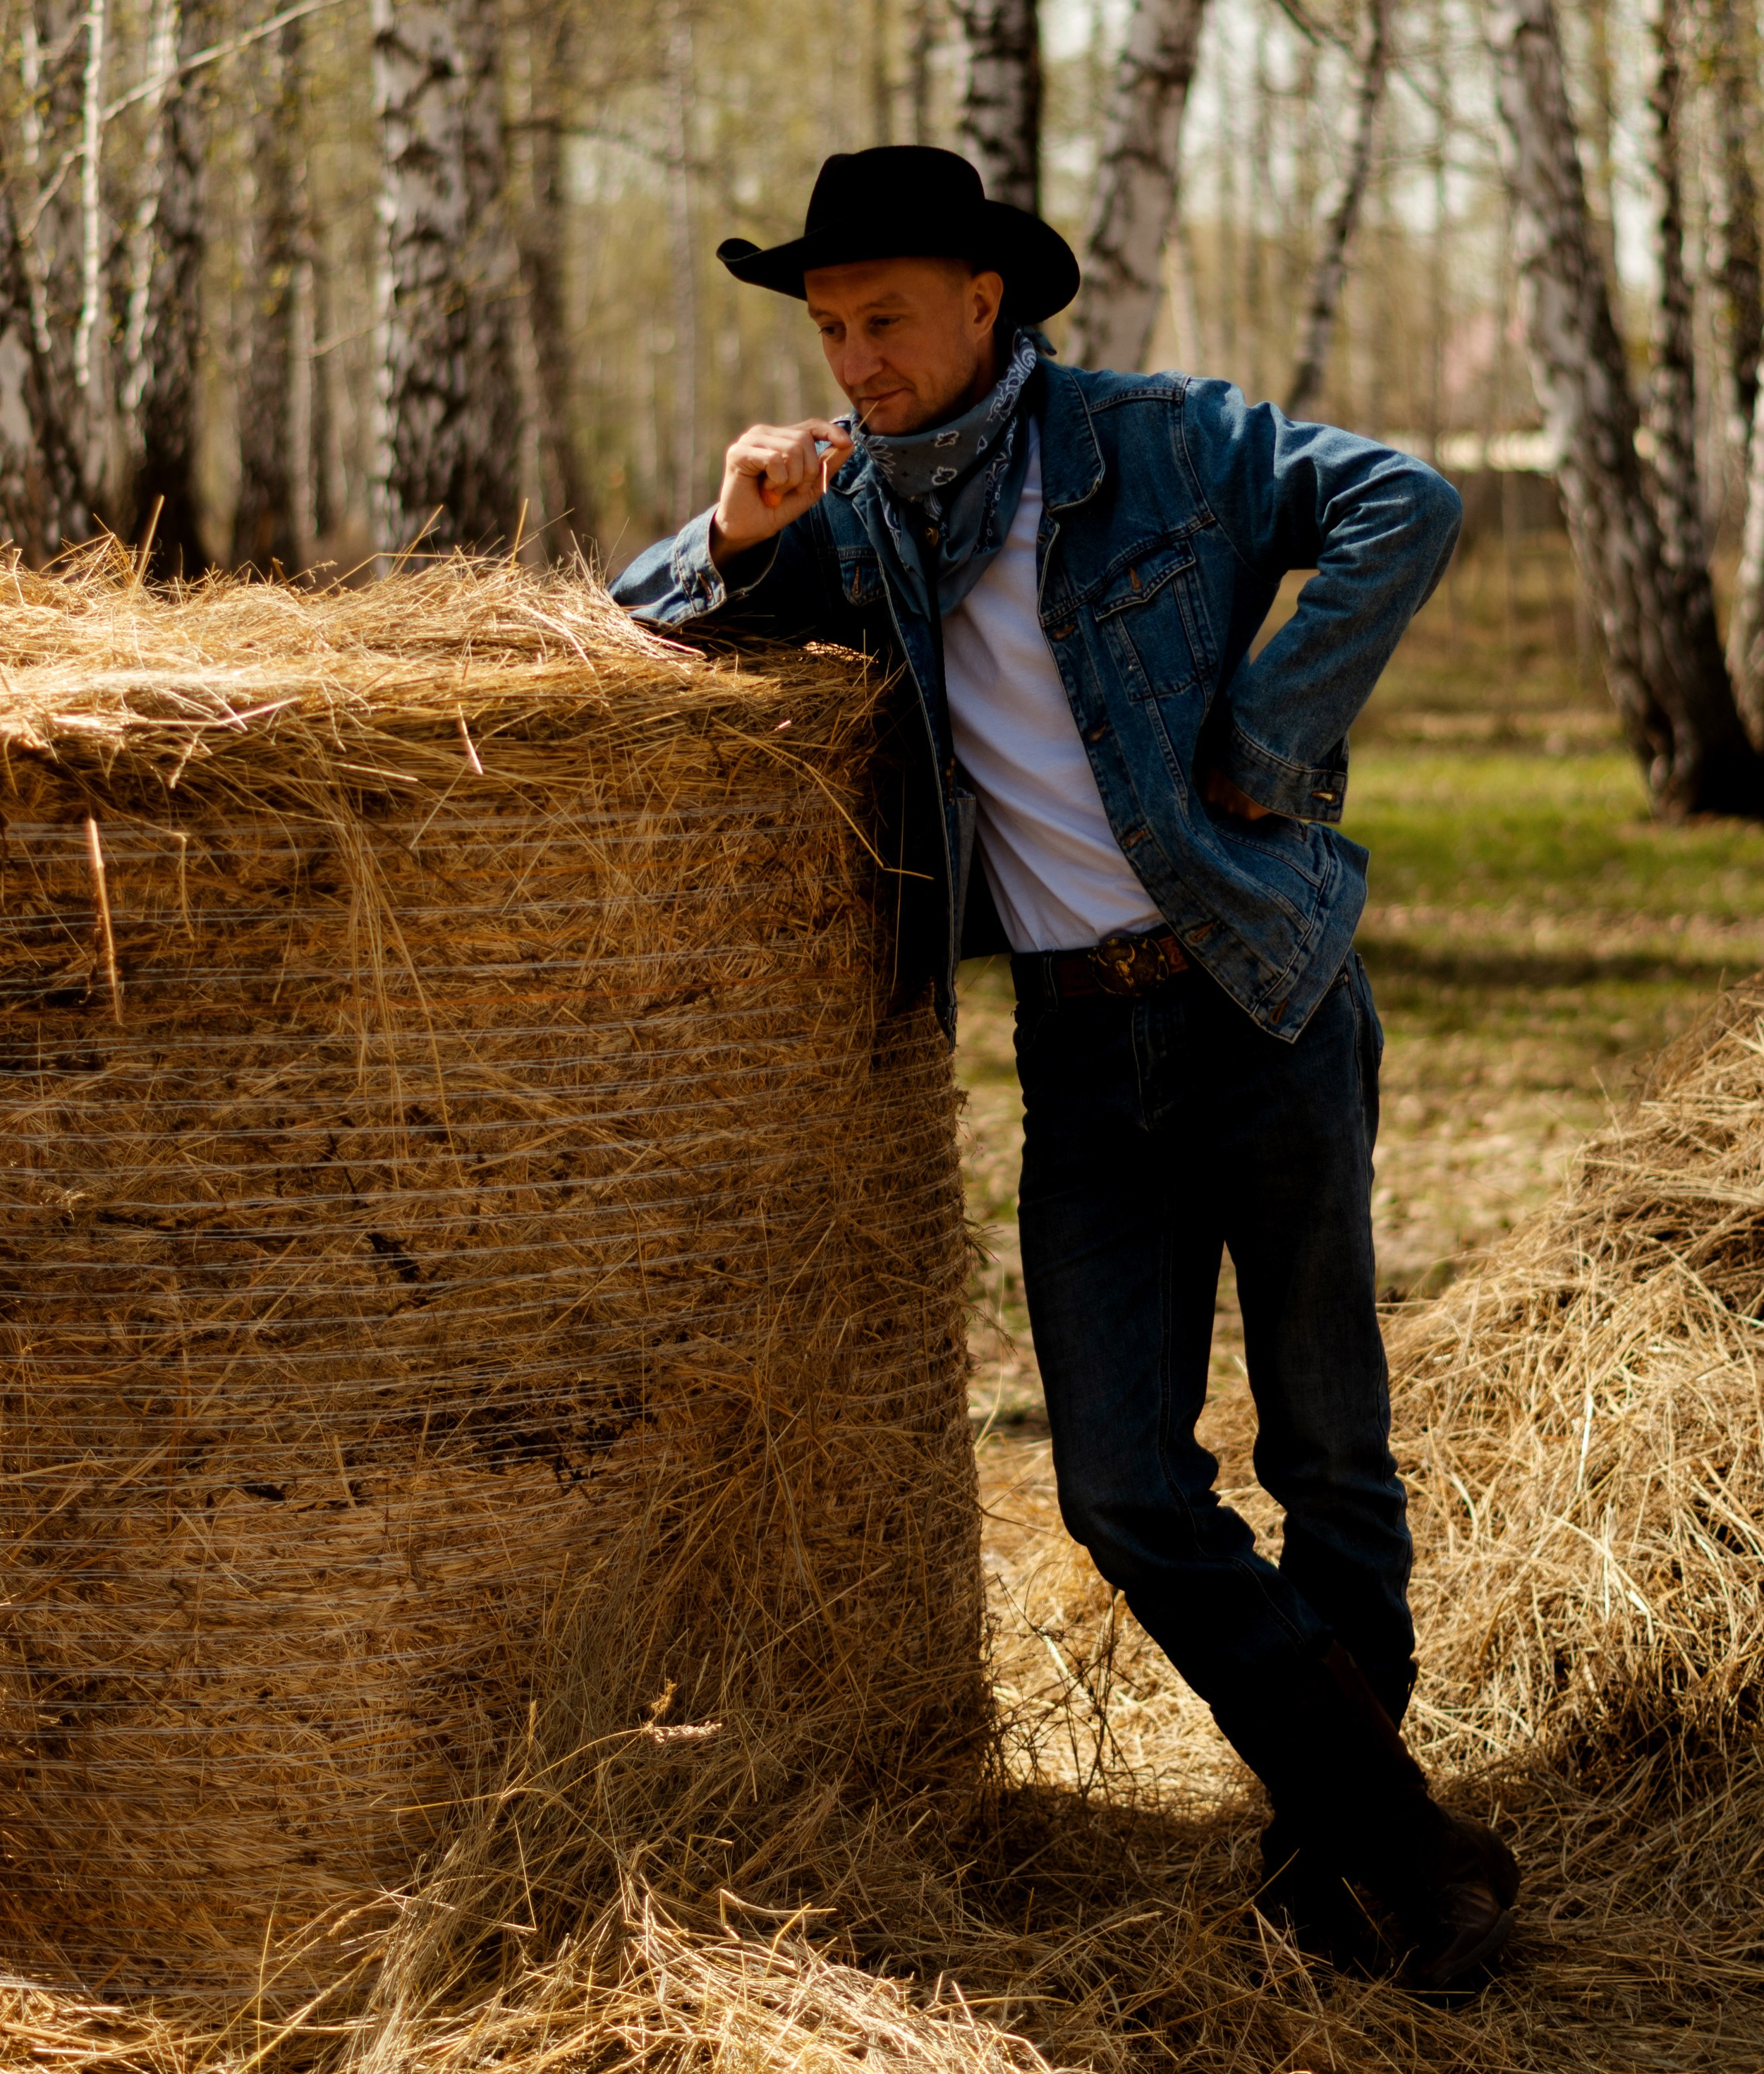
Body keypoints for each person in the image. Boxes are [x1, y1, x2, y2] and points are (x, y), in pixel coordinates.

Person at [614, 143, 1516, 1991]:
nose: (854, 358)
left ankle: (1338, 1859)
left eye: (884, 319)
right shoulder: (852, 519)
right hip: (1081, 1047)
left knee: (1330, 1447)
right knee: (1117, 1480)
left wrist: (1272, 725)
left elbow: (1407, 501)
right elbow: (634, 637)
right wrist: (732, 530)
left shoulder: (1165, 440)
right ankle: (1400, 1830)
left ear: (983, 303)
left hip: (1263, 988)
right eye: (828, 325)